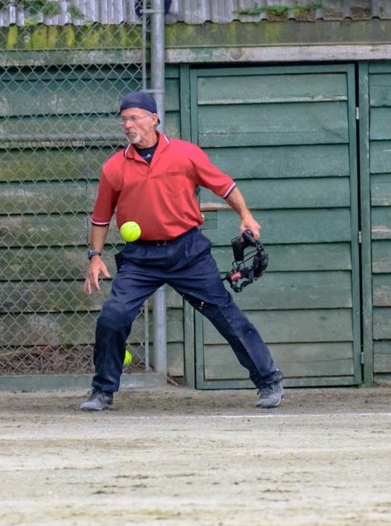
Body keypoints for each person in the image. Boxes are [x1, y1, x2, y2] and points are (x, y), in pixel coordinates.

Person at [81, 91, 285, 411]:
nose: (128, 125)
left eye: (134, 118)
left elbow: (225, 186)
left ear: (153, 118)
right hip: (141, 258)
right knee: (113, 316)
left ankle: (269, 381)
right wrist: (94, 258)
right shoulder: (114, 168)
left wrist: (245, 216)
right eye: (124, 119)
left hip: (187, 252)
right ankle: (102, 391)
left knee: (225, 315)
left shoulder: (185, 154)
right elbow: (101, 217)